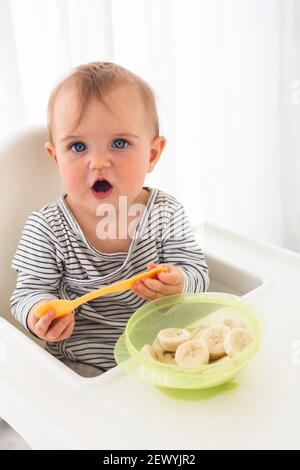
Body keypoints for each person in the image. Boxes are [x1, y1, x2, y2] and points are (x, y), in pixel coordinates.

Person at [10, 62, 209, 377]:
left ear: (152, 155)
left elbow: (196, 271)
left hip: (163, 352)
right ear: (56, 158)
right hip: (84, 366)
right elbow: (27, 293)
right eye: (78, 146)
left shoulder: (165, 213)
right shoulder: (46, 228)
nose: (99, 161)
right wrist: (39, 314)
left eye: (120, 143)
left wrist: (180, 282)